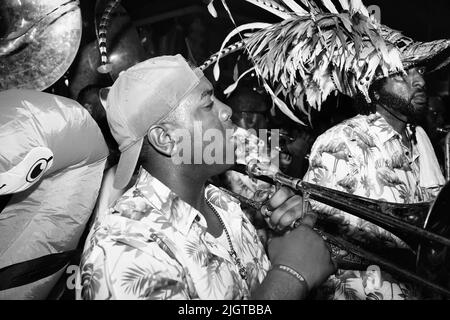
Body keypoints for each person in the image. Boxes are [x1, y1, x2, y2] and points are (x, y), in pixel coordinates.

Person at [76, 55, 335, 300]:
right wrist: (290, 276)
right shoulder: (121, 249)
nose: (227, 111)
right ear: (166, 139)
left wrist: (277, 239)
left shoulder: (220, 200)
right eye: (208, 104)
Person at [303, 66, 447, 299]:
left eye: (420, 70)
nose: (419, 80)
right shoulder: (343, 140)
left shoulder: (419, 139)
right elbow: (317, 226)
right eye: (401, 74)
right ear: (374, 91)